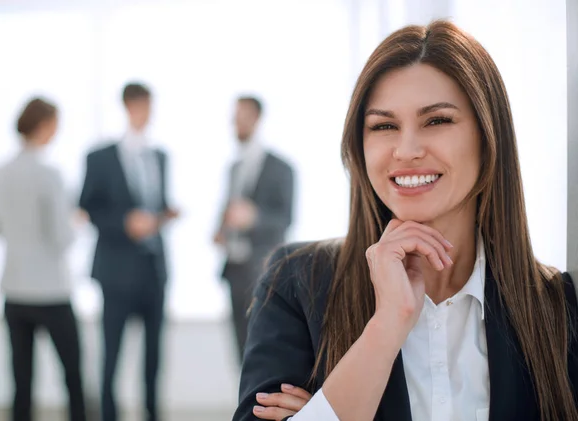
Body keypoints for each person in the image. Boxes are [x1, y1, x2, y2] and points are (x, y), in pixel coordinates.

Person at [233, 20, 578, 421]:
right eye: (384, 126)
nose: (407, 150)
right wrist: (386, 326)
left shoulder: (557, 307)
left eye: (437, 120)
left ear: (488, 135)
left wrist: (325, 408)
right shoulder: (296, 283)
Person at [79, 82, 179, 421]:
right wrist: (125, 222)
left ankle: (152, 413)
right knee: (112, 355)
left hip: (153, 270)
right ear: (128, 106)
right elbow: (88, 209)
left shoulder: (160, 156)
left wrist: (165, 216)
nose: (146, 113)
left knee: (153, 357)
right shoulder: (100, 156)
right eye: (141, 106)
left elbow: (157, 206)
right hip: (116, 270)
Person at [0, 97, 87, 421]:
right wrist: (77, 221)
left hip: (14, 289)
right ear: (44, 126)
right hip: (51, 291)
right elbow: (61, 239)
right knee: (73, 376)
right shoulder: (50, 174)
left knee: (22, 381)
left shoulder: (0, 171)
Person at [214, 96, 295, 363]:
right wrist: (220, 230)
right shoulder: (233, 167)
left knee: (264, 347)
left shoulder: (281, 167)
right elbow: (228, 211)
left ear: (257, 118)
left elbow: (285, 219)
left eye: (242, 116)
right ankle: (246, 404)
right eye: (234, 117)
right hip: (234, 268)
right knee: (240, 349)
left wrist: (254, 218)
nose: (235, 122)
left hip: (262, 269)